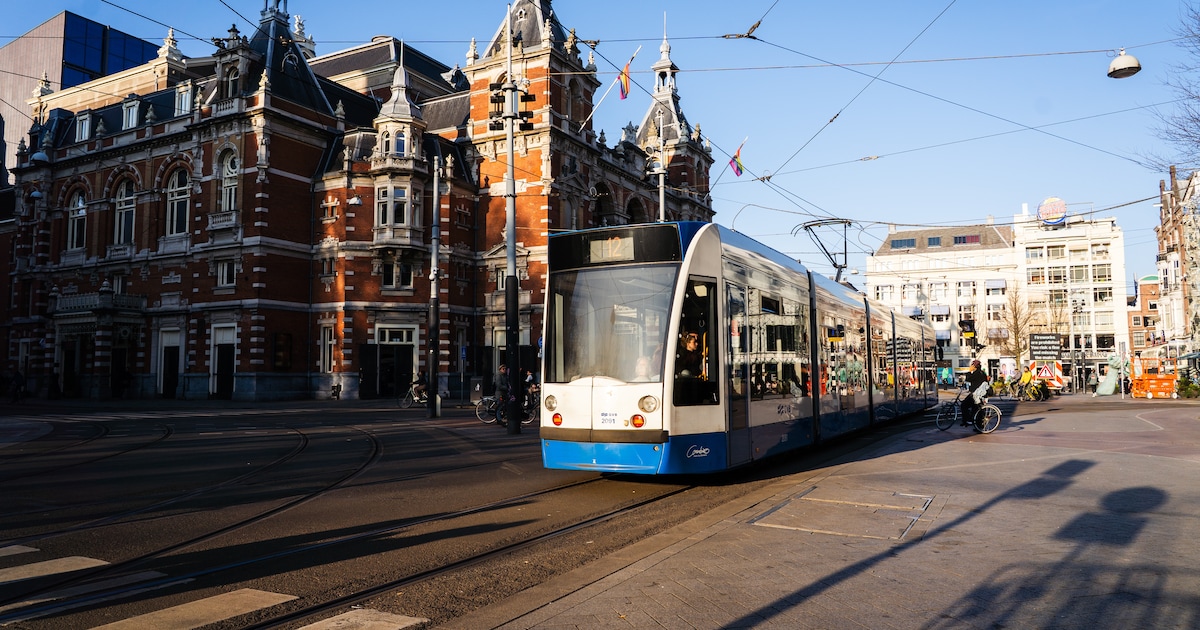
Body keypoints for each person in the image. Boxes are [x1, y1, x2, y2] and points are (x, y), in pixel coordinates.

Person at [961, 359, 990, 425]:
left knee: (964, 405)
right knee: (976, 408)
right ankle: (978, 425)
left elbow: (968, 379)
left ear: (974, 367)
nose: (971, 367)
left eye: (972, 366)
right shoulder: (982, 373)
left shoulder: (976, 373)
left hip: (976, 394)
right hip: (981, 394)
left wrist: (969, 371)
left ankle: (967, 420)